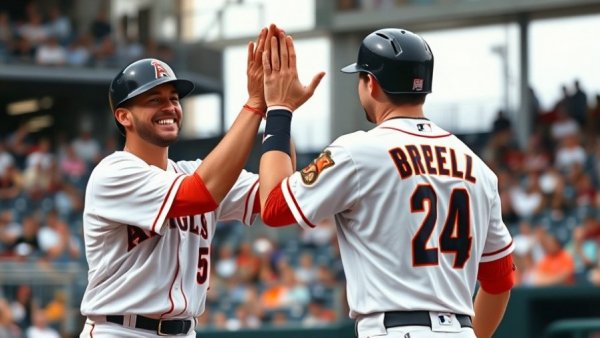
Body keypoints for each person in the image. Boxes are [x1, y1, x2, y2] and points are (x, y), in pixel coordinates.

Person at [258, 28, 515, 338]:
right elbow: (500, 280)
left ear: (371, 83)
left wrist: (278, 110)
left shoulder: (358, 151)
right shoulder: (478, 167)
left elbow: (274, 206)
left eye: (360, 78)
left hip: (393, 330)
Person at [79, 26, 272, 337]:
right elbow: (199, 194)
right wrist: (254, 105)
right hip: (121, 330)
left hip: (185, 330)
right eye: (154, 100)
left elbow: (278, 198)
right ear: (124, 117)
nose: (169, 107)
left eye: (173, 98)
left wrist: (280, 110)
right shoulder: (114, 172)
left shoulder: (192, 171)